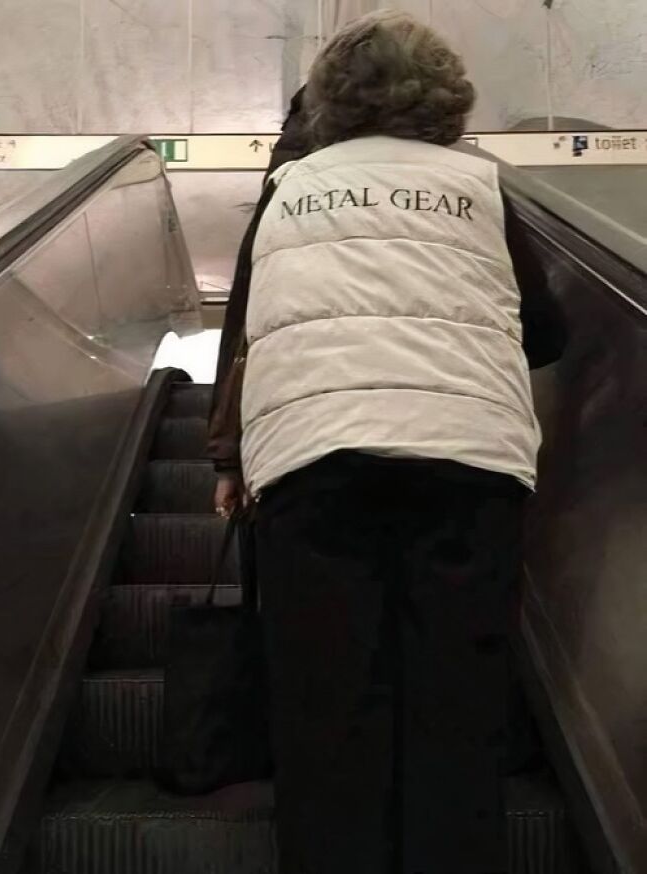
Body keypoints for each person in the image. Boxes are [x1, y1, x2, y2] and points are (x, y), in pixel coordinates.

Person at [208, 11, 567, 874]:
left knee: (328, 708)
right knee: (457, 703)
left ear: (331, 100)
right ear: (444, 97)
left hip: (314, 461)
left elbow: (245, 332)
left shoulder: (289, 190)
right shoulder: (480, 188)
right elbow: (546, 331)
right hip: (466, 466)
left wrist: (228, 460)